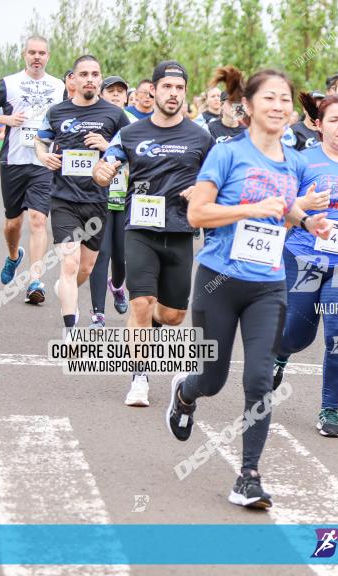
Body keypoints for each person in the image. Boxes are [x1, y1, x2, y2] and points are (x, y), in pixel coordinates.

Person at [168, 69, 332, 509]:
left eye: (285, 100)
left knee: (260, 379)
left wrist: (307, 220)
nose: (279, 107)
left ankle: (249, 476)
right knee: (213, 379)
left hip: (267, 285)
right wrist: (250, 209)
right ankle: (185, 394)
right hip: (218, 281)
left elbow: (287, 206)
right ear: (250, 105)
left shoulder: (294, 160)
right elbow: (199, 215)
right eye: (270, 99)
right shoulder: (226, 155)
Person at [93, 60, 214, 407]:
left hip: (179, 232)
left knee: (173, 316)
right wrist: (103, 173)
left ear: (184, 93)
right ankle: (139, 377)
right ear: (153, 90)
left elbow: (218, 179)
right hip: (141, 229)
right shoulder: (131, 133)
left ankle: (143, 322)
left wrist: (202, 191)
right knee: (141, 301)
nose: (173, 94)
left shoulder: (200, 137)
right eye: (167, 87)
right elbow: (108, 165)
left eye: (179, 89)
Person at [271, 92, 338, 438]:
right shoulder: (302, 161)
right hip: (304, 257)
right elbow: (282, 207)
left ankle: (330, 409)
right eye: (333, 120)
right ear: (318, 125)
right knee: (297, 333)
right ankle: (280, 355)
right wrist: (303, 205)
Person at [35, 55, 130, 329]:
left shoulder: (114, 114)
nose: (90, 78)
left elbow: (131, 150)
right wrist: (43, 156)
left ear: (100, 79)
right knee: (69, 264)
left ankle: (65, 288)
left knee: (84, 269)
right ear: (73, 80)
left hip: (98, 200)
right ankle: (70, 329)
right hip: (64, 199)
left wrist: (107, 145)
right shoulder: (57, 112)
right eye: (84, 74)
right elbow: (41, 141)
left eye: (95, 74)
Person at [0, 35, 65, 301]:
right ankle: (14, 256)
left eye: (42, 53)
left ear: (48, 56)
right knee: (13, 223)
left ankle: (35, 281)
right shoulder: (9, 84)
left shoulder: (58, 87)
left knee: (38, 219)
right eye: (32, 52)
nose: (37, 57)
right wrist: (6, 119)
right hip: (14, 160)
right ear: (24, 54)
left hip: (43, 162)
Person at [88, 75, 132, 327]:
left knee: (121, 256)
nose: (116, 95)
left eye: (120, 92)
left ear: (126, 97)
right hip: (99, 200)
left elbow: (142, 162)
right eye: (111, 91)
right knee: (100, 254)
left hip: (126, 202)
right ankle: (98, 313)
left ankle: (117, 286)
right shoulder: (94, 124)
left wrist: (109, 147)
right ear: (102, 95)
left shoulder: (136, 126)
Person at [205, 66, 246, 144]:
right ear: (222, 104)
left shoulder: (247, 131)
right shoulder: (210, 128)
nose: (235, 106)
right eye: (231, 102)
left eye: (238, 103)